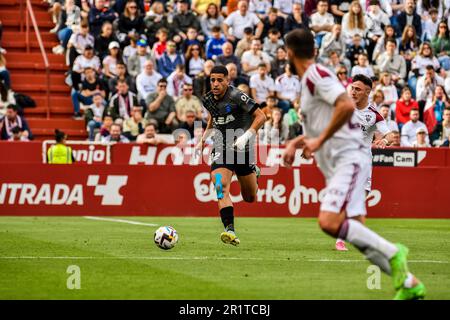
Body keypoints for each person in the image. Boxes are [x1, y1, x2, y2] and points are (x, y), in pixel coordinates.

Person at [282, 29, 426, 300]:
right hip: (343, 161)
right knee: (357, 232)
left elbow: (345, 107)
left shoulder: (316, 76)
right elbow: (333, 119)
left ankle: (396, 252)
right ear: (313, 49)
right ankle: (409, 284)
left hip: (350, 158)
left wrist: (316, 141)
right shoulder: (310, 80)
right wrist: (299, 142)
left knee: (328, 221)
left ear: (289, 53)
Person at [197, 65, 266, 246]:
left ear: (228, 80)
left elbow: (261, 116)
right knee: (220, 187)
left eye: (220, 80)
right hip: (221, 147)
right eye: (213, 80)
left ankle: (254, 172)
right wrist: (204, 138)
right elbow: (214, 115)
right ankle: (230, 230)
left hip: (242, 147)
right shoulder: (207, 99)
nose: (216, 83)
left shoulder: (237, 96)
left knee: (250, 197)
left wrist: (246, 136)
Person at [333, 74, 392, 251]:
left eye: (358, 89)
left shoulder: (374, 115)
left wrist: (385, 141)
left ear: (367, 91)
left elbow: (389, 134)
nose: (353, 91)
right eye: (352, 87)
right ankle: (340, 238)